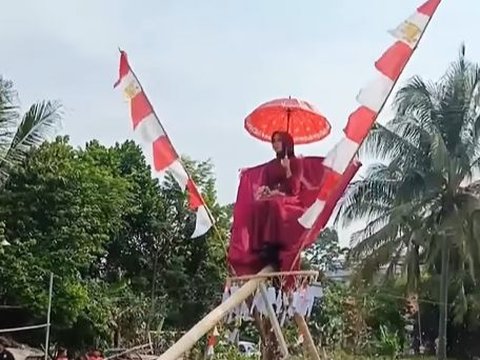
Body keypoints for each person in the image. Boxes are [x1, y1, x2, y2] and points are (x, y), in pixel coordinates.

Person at [251, 130, 303, 267]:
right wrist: (266, 190)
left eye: (279, 140)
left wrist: (287, 169)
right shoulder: (270, 166)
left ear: (286, 142)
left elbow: (294, 189)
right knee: (258, 205)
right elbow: (266, 186)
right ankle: (259, 246)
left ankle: (272, 246)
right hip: (273, 197)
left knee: (275, 204)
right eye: (273, 141)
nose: (275, 144)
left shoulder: (295, 162)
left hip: (289, 199)